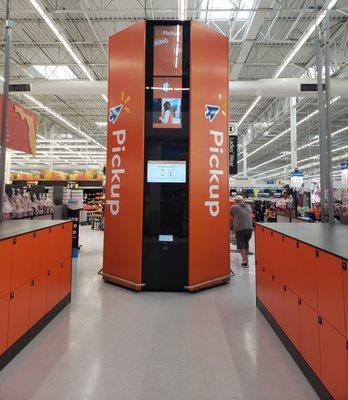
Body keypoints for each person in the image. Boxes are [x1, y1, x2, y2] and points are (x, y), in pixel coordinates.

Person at [230, 195, 253, 267]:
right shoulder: (248, 206)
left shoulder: (234, 207)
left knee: (241, 245)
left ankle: (244, 261)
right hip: (249, 228)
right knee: (246, 243)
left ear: (235, 201)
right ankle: (246, 258)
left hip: (240, 229)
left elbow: (229, 213)